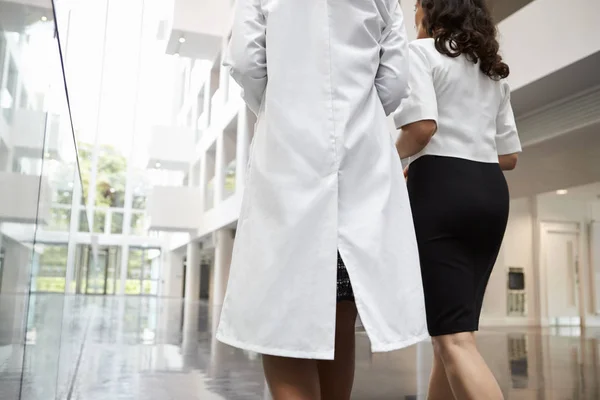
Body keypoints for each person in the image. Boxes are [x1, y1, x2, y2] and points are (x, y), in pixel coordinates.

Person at [217, 0, 428, 398]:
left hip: (287, 163)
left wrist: (280, 107)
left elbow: (245, 63)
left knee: (280, 324)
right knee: (339, 322)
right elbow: (396, 80)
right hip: (359, 168)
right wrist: (355, 115)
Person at [394, 1, 521, 399]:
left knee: (453, 338)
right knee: (452, 333)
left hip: (441, 188)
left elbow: (421, 129)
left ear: (430, 11)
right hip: (489, 190)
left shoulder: (420, 53)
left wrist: (388, 159)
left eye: (415, 6)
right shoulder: (491, 71)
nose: (412, 14)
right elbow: (509, 157)